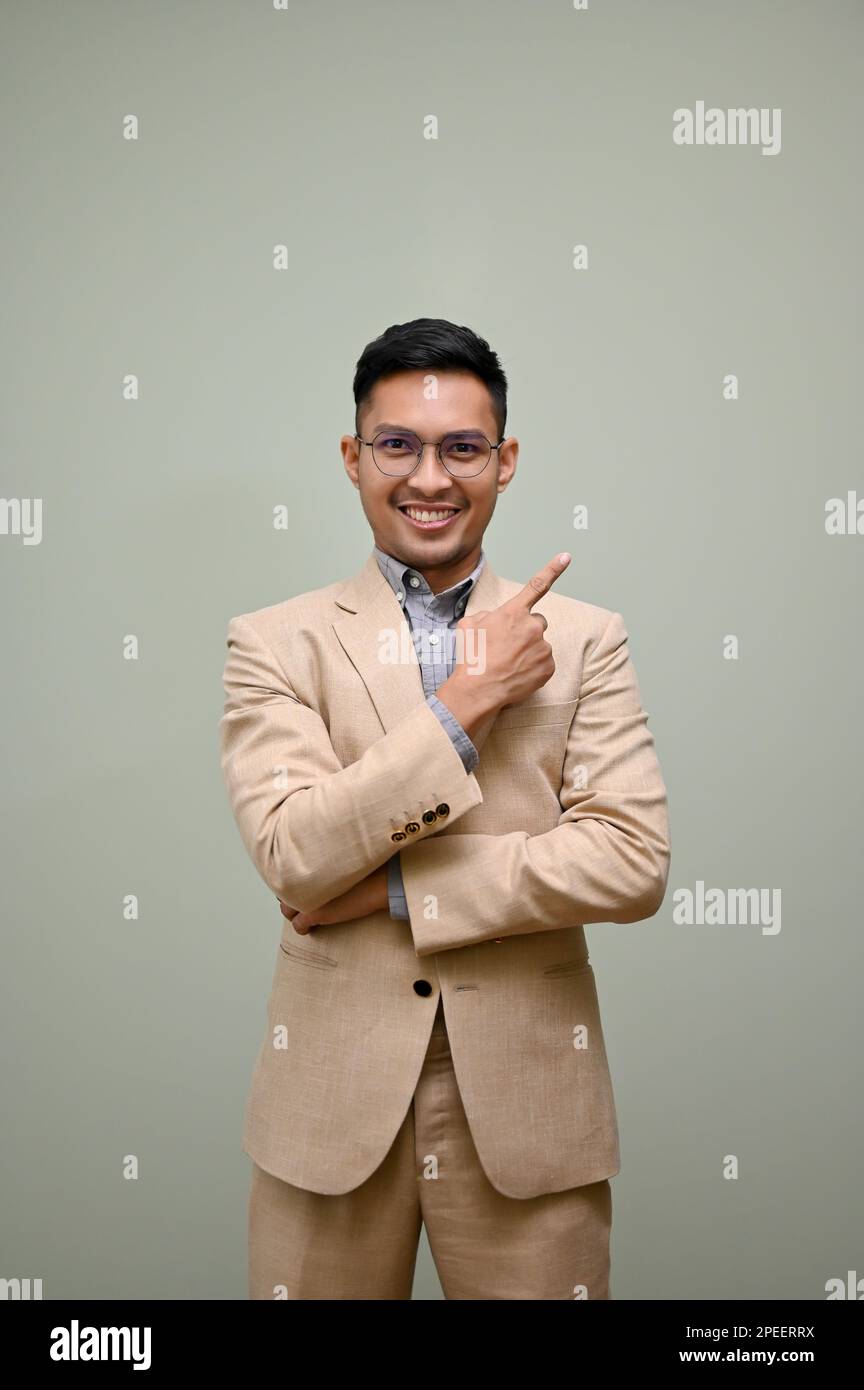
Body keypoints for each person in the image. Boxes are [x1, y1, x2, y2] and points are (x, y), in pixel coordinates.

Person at [219, 317, 670, 1299]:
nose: (430, 478)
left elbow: (631, 859)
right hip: (327, 1113)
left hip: (532, 1112)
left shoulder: (587, 639)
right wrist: (466, 703)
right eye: (399, 445)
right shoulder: (273, 643)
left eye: (462, 447)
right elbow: (296, 852)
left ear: (504, 460)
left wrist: (392, 889)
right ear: (353, 456)